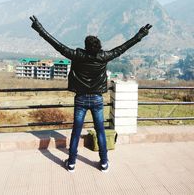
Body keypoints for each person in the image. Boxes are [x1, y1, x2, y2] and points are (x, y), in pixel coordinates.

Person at [30, 15, 152, 173]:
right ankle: (103, 162)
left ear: (86, 46)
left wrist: (39, 28)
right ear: (98, 46)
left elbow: (56, 45)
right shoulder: (103, 57)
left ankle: (72, 162)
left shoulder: (77, 55)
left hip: (80, 98)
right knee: (100, 131)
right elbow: (123, 48)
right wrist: (140, 34)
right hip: (97, 99)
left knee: (76, 132)